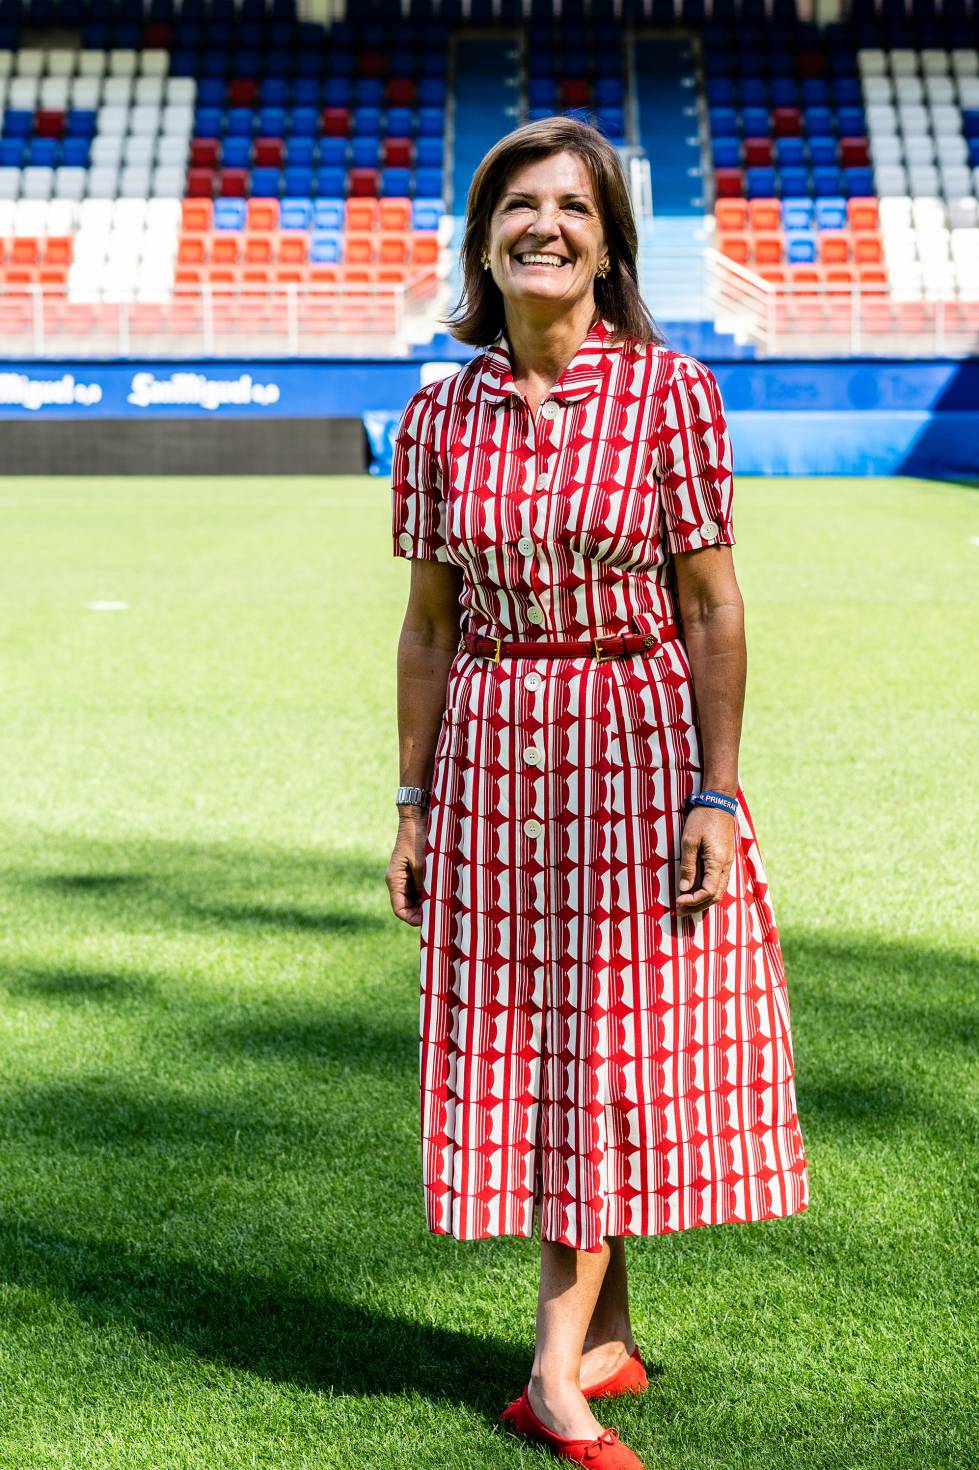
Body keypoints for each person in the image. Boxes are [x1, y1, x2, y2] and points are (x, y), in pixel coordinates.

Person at [386, 117, 809, 1470]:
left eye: (572, 205)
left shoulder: (673, 391)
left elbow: (712, 605)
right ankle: (605, 1335)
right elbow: (427, 625)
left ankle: (552, 1374)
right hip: (496, 755)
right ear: (484, 237)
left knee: (611, 1055)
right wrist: (411, 802)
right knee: (535, 1050)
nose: (544, 225)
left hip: (635, 746)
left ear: (612, 240)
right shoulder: (438, 409)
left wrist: (714, 790)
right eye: (519, 204)